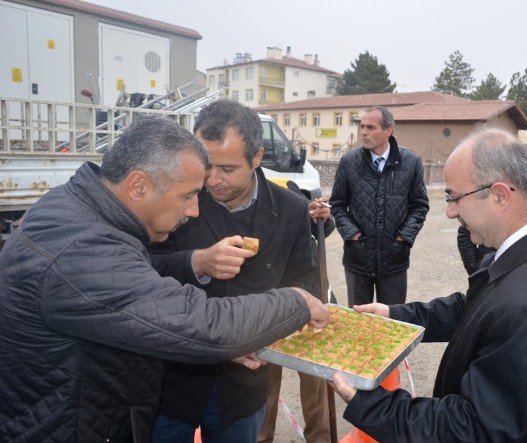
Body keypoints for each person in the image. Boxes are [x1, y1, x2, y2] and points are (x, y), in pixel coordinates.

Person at [0, 115, 331, 442]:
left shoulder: (83, 211)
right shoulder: (84, 248)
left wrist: (223, 346)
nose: (194, 210)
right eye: (187, 196)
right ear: (139, 185)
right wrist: (296, 301)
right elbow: (198, 322)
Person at [332, 127, 527, 442]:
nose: (450, 212)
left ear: (499, 194)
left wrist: (371, 405)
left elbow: (472, 429)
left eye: (454, 197)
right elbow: (481, 308)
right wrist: (396, 316)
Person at [148, 100, 321, 442]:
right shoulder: (174, 197)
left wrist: (269, 329)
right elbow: (139, 268)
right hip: (172, 377)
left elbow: (302, 282)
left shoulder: (292, 209)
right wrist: (196, 262)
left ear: (257, 157)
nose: (212, 180)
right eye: (206, 165)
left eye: (227, 169)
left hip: (243, 386)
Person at [258, 179, 335, 443]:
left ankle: (320, 438)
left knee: (314, 376)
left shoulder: (284, 187)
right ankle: (262, 437)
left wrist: (320, 216)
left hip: (307, 299)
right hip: (268, 302)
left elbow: (317, 223)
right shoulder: (239, 197)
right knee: (264, 379)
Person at [329, 106, 429, 307]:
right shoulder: (349, 162)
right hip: (358, 258)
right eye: (362, 127)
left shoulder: (411, 162)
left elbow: (420, 205)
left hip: (394, 259)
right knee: (358, 321)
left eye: (370, 127)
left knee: (392, 320)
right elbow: (337, 205)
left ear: (388, 130)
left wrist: (403, 237)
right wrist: (352, 235)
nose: (363, 132)